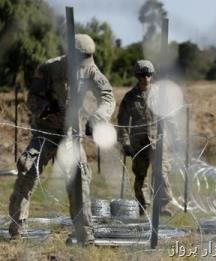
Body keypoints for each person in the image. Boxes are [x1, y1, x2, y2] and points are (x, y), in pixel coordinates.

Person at [8, 34, 115, 245]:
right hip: (45, 132)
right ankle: (17, 230)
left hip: (71, 135)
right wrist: (45, 108)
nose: (85, 59)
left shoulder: (91, 70)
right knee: (26, 171)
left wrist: (98, 118)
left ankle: (84, 234)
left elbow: (108, 96)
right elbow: (33, 97)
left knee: (79, 181)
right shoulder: (49, 68)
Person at [117, 60, 173, 216]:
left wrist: (171, 138)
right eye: (142, 75)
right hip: (139, 143)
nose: (145, 78)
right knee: (141, 176)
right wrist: (125, 143)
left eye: (148, 74)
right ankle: (143, 206)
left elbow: (168, 118)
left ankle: (162, 206)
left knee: (162, 173)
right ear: (137, 76)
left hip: (158, 140)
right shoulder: (130, 97)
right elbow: (122, 122)